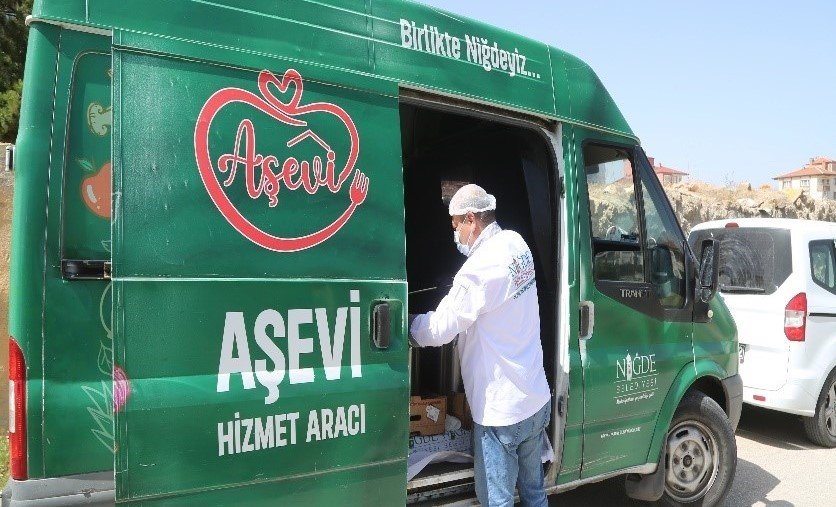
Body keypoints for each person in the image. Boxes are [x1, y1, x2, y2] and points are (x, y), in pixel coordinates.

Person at [409, 184, 552, 507]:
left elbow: (439, 329)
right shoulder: (516, 244)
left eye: (456, 225)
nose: (455, 233)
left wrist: (406, 324)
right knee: (535, 493)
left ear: (471, 219)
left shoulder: (478, 270)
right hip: (535, 399)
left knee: (497, 501)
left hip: (502, 413)